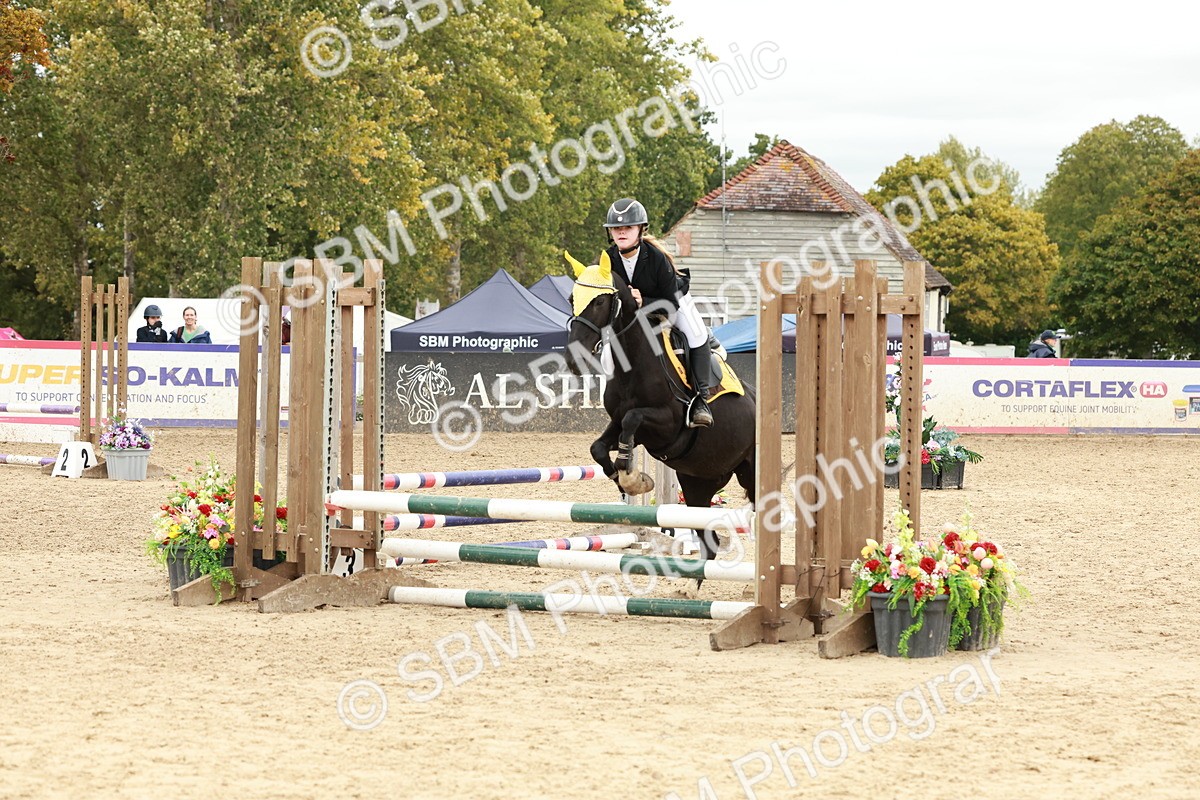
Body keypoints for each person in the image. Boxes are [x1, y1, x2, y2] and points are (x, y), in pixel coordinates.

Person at [602, 197, 713, 428]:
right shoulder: (608, 259)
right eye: (616, 228)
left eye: (628, 227)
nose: (621, 232)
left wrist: (644, 301)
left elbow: (671, 305)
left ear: (641, 229)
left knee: (696, 334)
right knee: (608, 349)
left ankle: (701, 400)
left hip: (671, 300)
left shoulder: (656, 258)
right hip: (634, 314)